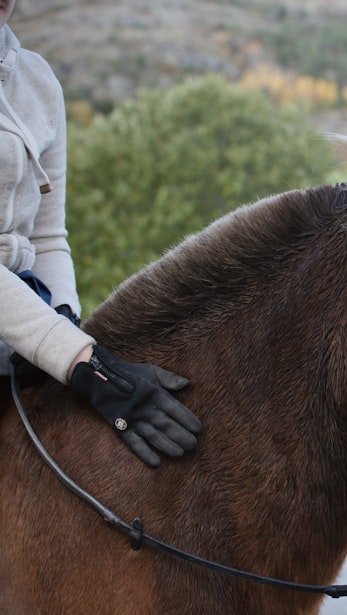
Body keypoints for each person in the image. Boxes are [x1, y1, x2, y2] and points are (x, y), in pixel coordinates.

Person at [1, 0, 201, 466]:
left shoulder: (38, 81)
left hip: (23, 316)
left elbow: (48, 235)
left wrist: (67, 319)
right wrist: (78, 360)